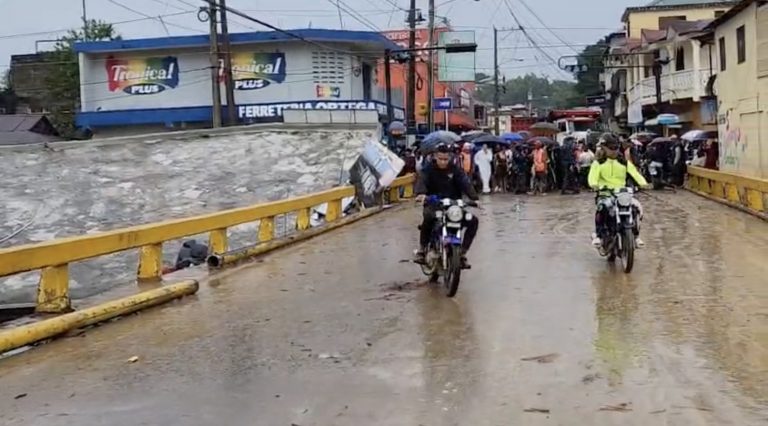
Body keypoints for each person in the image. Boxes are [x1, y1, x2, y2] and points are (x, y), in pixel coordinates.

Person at [414, 144, 480, 267]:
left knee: (473, 220)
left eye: (446, 159)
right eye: (440, 159)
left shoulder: (455, 170)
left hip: (453, 206)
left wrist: (474, 198)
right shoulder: (428, 169)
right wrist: (421, 194)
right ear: (435, 157)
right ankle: (422, 250)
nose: (443, 162)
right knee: (428, 218)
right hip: (434, 205)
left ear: (450, 157)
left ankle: (462, 253)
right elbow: (421, 181)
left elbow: (465, 183)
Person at [588, 134, 649, 248]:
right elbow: (592, 177)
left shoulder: (623, 162)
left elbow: (635, 174)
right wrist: (594, 185)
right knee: (602, 208)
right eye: (611, 148)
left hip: (622, 193)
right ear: (604, 148)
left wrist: (643, 183)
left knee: (636, 208)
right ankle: (599, 235)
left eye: (616, 147)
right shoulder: (598, 163)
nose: (614, 151)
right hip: (605, 193)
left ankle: (635, 236)